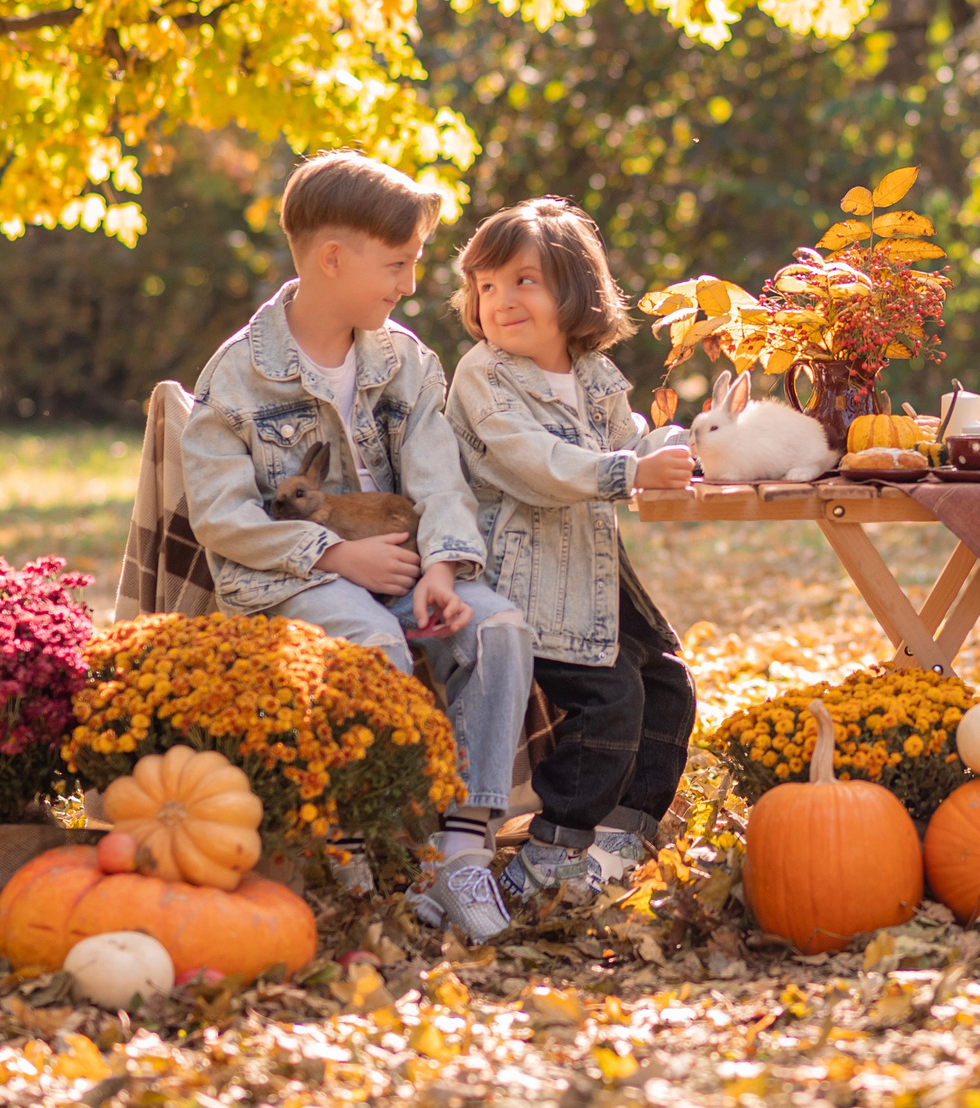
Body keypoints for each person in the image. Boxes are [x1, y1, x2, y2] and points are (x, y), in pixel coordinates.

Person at [181, 151, 534, 943]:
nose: (409, 283)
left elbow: (439, 474)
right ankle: (385, 843)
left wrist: (441, 564)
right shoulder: (240, 376)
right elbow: (222, 513)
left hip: (406, 565)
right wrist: (333, 556)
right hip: (291, 579)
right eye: (398, 264)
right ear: (333, 259)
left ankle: (463, 843)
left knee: (499, 626)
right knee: (369, 639)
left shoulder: (401, 360)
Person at [443, 197, 700, 911]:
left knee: (671, 683)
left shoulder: (594, 375)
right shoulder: (484, 376)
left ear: (575, 287)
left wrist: (670, 452)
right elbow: (534, 462)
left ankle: (620, 839)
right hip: (526, 575)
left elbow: (631, 437)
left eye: (523, 279)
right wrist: (627, 472)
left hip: (592, 568)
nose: (500, 300)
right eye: (486, 285)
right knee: (608, 695)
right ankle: (550, 851)